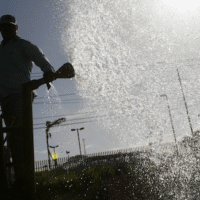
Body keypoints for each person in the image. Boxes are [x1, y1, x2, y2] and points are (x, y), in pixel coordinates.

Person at [0, 14, 56, 197]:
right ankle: (18, 179)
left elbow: (39, 57)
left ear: (15, 28)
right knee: (13, 139)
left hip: (20, 95)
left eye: (9, 27)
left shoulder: (22, 45)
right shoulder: (1, 49)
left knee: (18, 138)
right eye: (3, 27)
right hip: (6, 98)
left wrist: (48, 71)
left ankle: (24, 181)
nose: (6, 30)